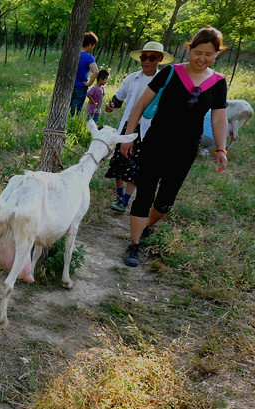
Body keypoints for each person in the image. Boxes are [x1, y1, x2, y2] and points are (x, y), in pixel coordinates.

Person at [119, 27, 228, 267]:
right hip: (155, 143)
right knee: (144, 194)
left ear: (217, 54)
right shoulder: (170, 72)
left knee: (165, 201)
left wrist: (221, 149)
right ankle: (134, 244)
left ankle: (148, 226)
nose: (202, 58)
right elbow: (139, 106)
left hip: (186, 149)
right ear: (189, 49)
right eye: (198, 52)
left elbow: (219, 118)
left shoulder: (219, 83)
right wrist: (129, 137)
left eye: (209, 54)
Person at [104, 41, 174, 213]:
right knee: (119, 162)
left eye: (152, 58)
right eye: (144, 57)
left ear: (159, 59)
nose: (147, 61)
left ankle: (125, 200)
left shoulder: (163, 82)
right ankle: (119, 195)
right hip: (128, 126)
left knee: (136, 165)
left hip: (147, 130)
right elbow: (119, 98)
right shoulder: (132, 78)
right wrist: (112, 104)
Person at [70, 32, 99, 116]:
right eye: (93, 46)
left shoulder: (73, 54)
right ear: (90, 44)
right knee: (75, 113)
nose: (93, 48)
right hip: (80, 87)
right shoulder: (88, 57)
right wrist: (89, 83)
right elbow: (96, 71)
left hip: (69, 86)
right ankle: (72, 127)